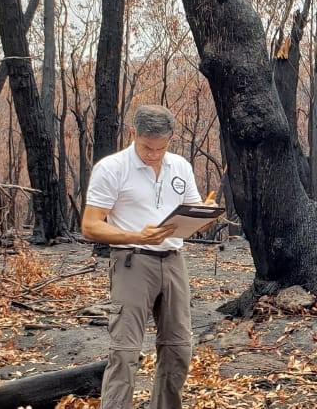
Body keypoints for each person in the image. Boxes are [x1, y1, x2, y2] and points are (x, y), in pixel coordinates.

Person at [81, 105, 213, 409]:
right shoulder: (112, 168)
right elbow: (90, 225)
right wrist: (135, 236)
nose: (154, 154)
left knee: (179, 347)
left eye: (161, 148)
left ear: (170, 140)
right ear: (133, 134)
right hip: (132, 261)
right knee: (125, 351)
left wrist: (206, 213)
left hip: (173, 260)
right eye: (147, 147)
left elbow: (192, 213)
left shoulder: (179, 166)